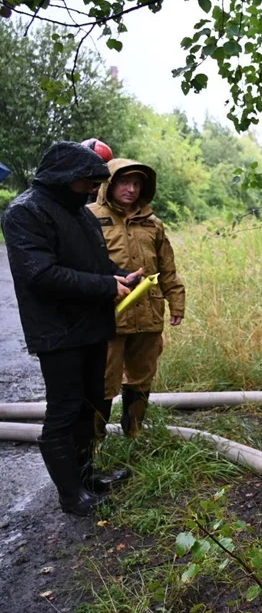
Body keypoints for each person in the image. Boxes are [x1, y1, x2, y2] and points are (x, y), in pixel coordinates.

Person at [1, 141, 140, 516]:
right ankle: (70, 494)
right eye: (89, 183)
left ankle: (87, 476)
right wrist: (105, 286)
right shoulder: (24, 212)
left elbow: (96, 264)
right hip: (57, 331)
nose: (95, 191)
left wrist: (121, 276)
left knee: (91, 405)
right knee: (63, 411)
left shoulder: (79, 212)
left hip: (92, 325)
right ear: (66, 177)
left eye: (97, 183)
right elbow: (41, 275)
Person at [88, 159, 185, 437]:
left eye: (137, 183)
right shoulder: (89, 217)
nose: (131, 189)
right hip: (108, 313)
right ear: (109, 184)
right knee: (103, 379)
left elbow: (167, 268)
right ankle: (94, 442)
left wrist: (176, 302)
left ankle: (133, 432)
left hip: (148, 313)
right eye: (124, 182)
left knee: (142, 376)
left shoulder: (153, 223)